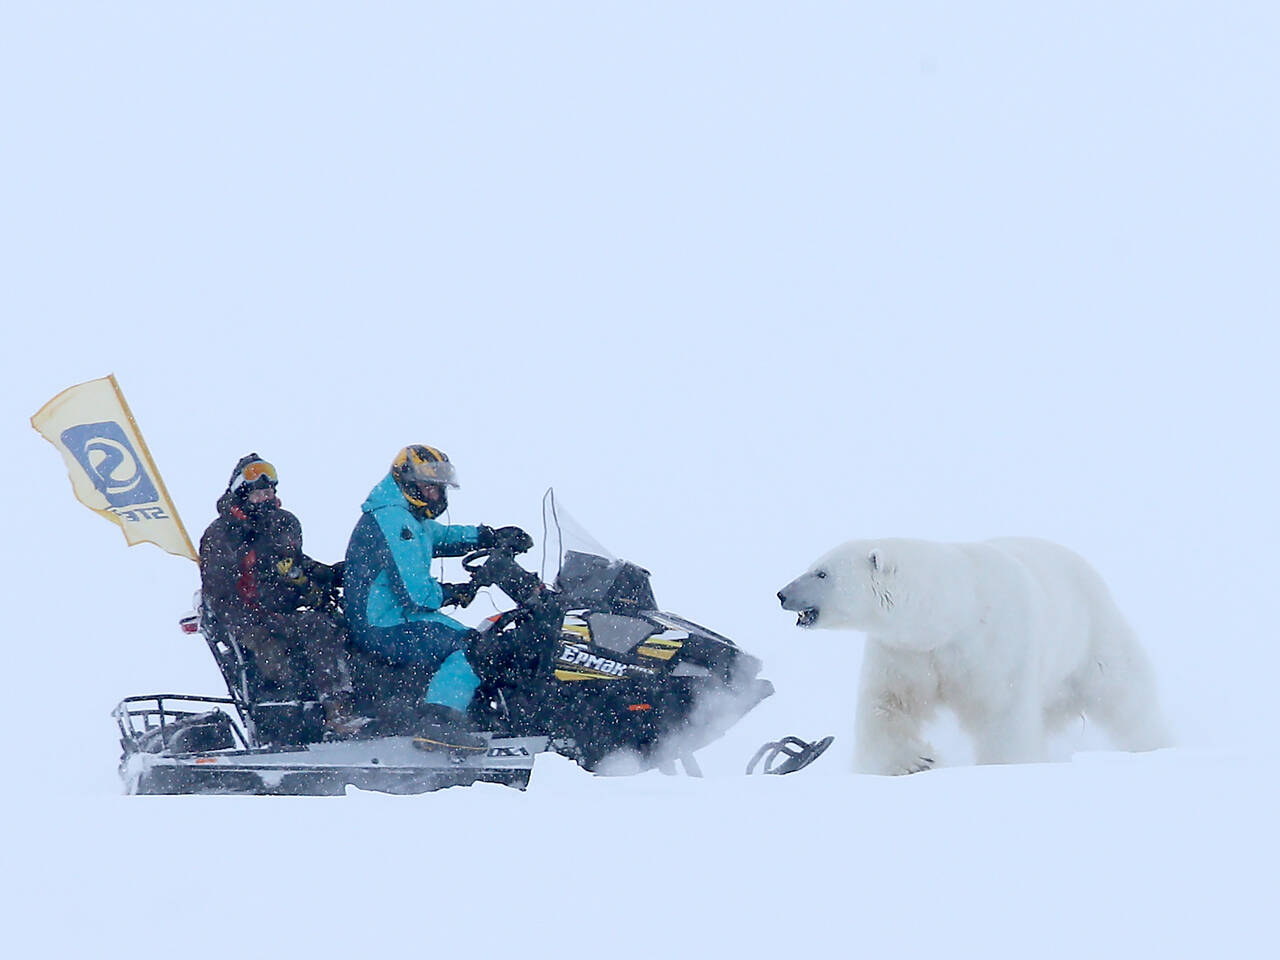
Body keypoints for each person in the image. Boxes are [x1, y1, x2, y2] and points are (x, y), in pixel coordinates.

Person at [343, 444, 531, 746]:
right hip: (383, 623)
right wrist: (453, 592)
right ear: (407, 482)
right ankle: (438, 724)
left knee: (481, 639)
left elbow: (440, 535)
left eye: (439, 488)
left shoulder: (406, 517)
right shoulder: (394, 520)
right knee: (472, 647)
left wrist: (488, 536)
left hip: (394, 617)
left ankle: (474, 715)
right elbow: (415, 596)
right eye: (429, 487)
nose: (436, 495)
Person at [198, 454, 364, 737]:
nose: (267, 496)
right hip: (248, 619)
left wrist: (336, 574)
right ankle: (334, 713)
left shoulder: (284, 523)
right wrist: (254, 629)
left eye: (270, 490)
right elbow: (220, 594)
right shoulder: (221, 535)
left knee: (341, 627)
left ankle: (360, 709)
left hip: (284, 614)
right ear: (242, 492)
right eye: (260, 491)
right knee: (309, 634)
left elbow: (293, 563)